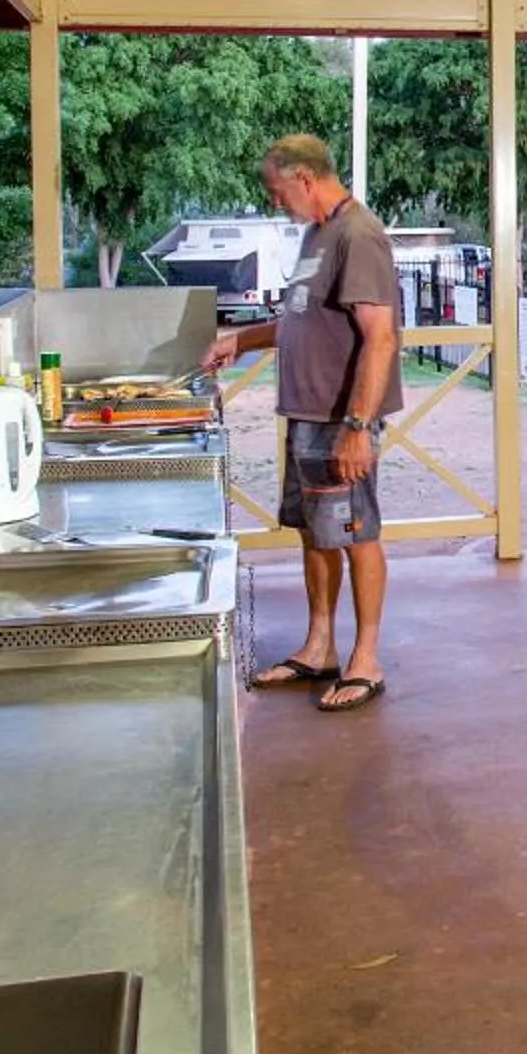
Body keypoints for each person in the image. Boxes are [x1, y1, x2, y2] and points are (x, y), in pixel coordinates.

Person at [201, 133, 401, 712]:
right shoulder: (317, 234)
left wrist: (358, 426)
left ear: (305, 178)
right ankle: (320, 648)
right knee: (315, 533)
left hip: (342, 417)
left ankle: (366, 659)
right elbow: (296, 320)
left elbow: (380, 338)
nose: (275, 202)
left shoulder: (358, 235)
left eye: (277, 190)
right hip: (306, 411)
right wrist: (238, 340)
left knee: (357, 533)